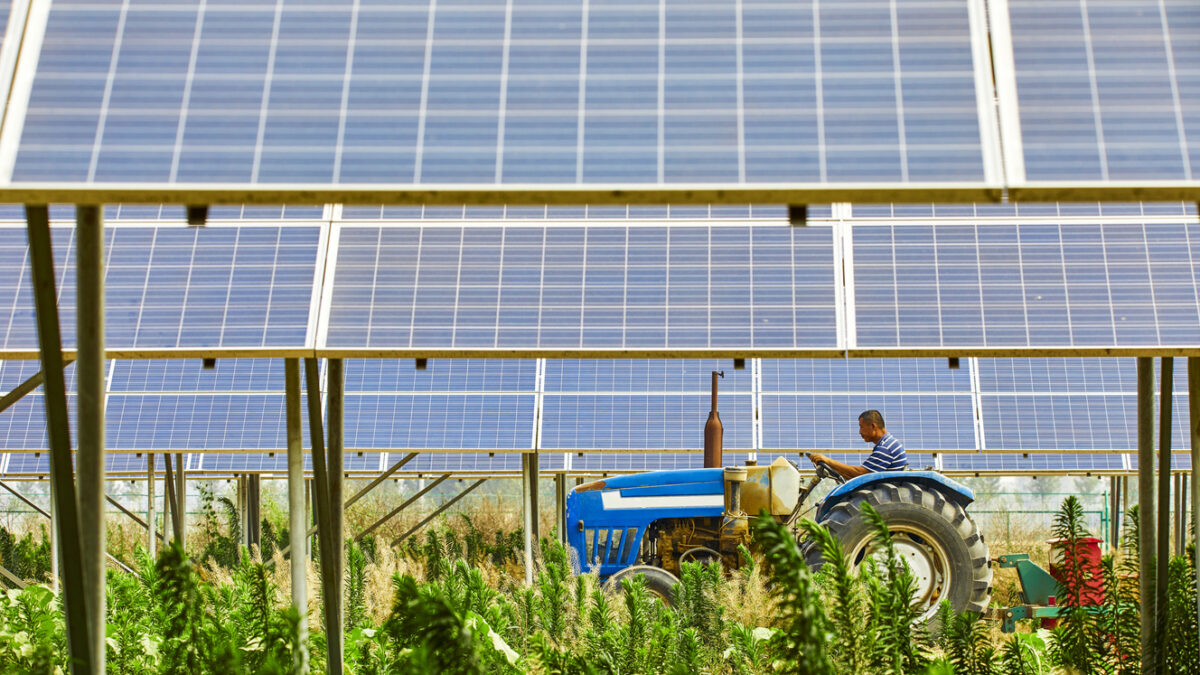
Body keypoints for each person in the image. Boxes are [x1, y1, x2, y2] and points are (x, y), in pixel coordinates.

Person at [807, 409, 907, 480]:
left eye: (861, 427)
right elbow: (857, 475)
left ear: (873, 426)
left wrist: (827, 460)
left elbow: (860, 474)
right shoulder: (888, 443)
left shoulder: (886, 448)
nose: (860, 432)